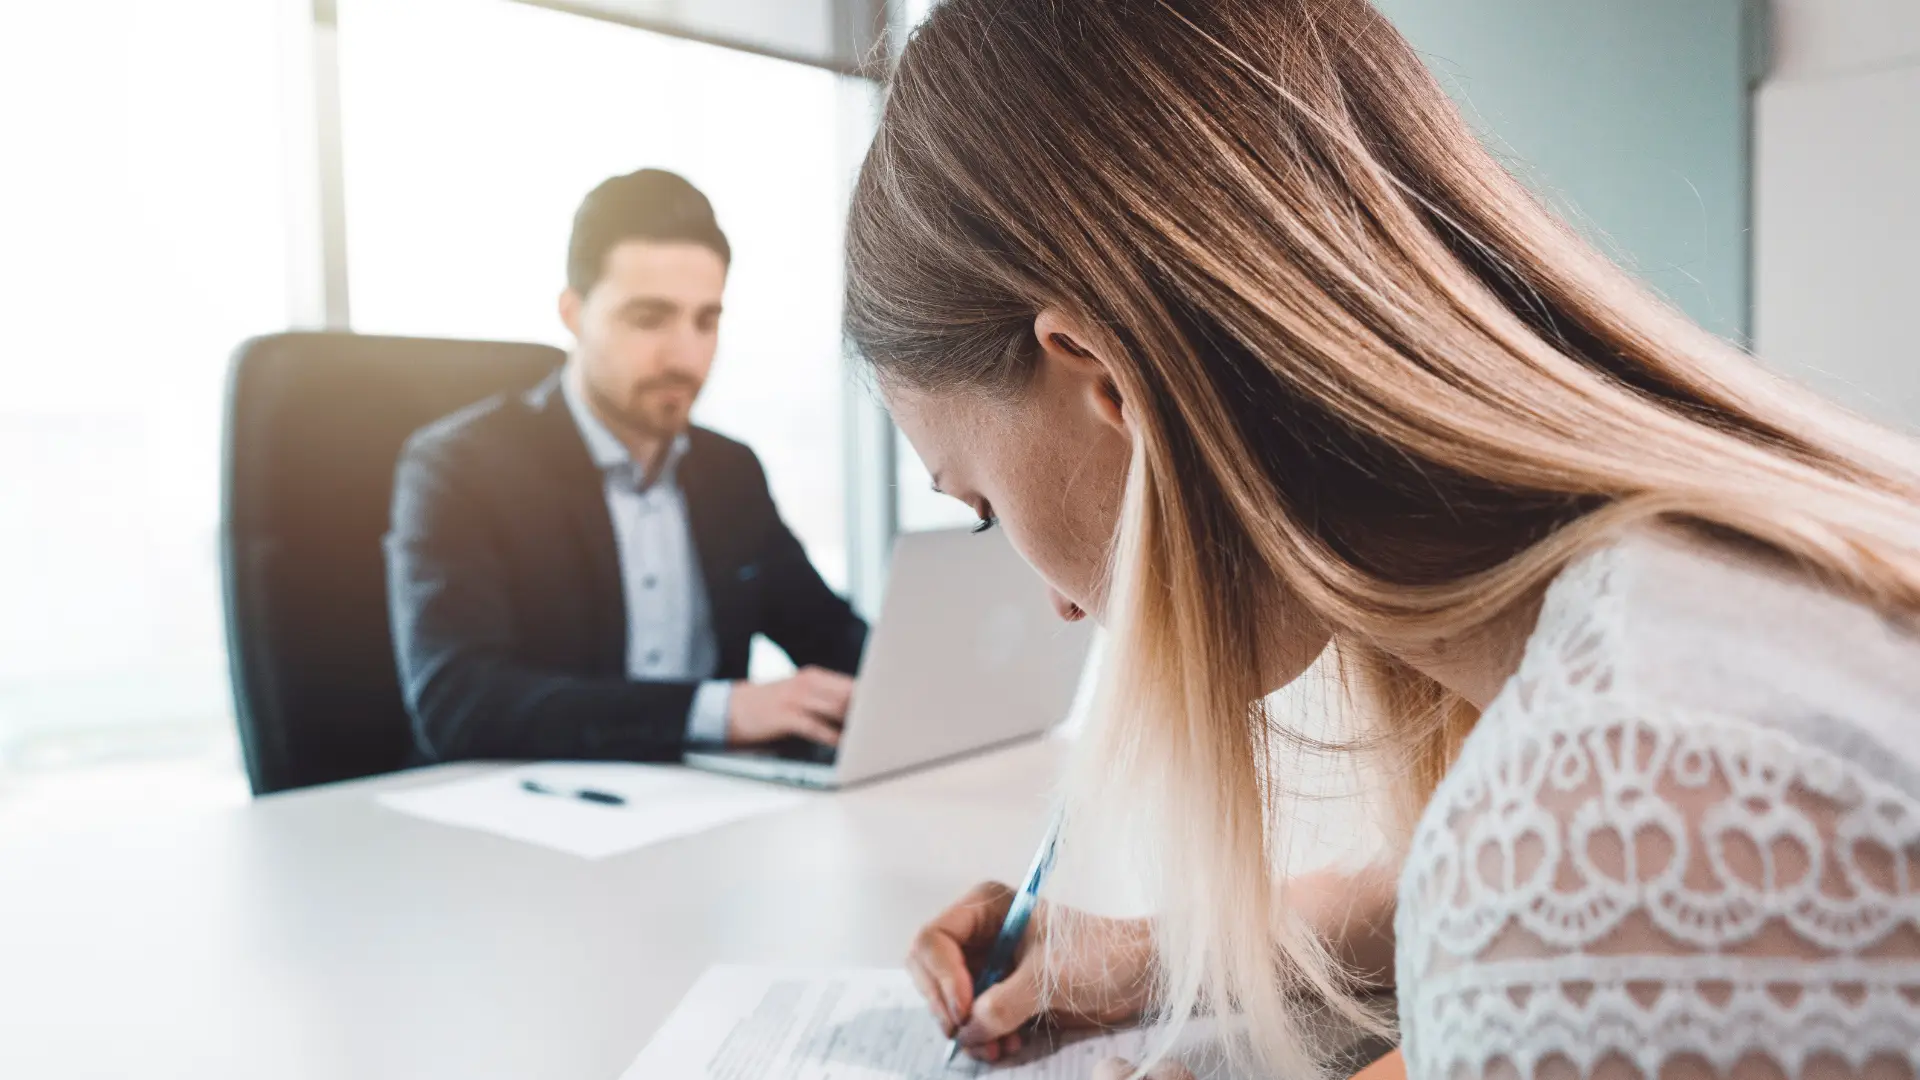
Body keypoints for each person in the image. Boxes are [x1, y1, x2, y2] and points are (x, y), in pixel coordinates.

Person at [842, 2, 1920, 1078]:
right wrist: (1157, 956)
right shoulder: (1711, 595)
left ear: (1108, 381)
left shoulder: (1593, 826)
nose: (1062, 606)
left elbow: (1571, 922)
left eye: (982, 503)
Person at [386, 168, 866, 764]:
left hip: (713, 807)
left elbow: (830, 635)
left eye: (706, 320)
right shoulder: (461, 470)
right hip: (543, 813)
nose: (685, 355)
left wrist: (916, 686)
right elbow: (458, 703)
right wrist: (721, 711)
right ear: (573, 312)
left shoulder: (729, 472)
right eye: (648, 319)